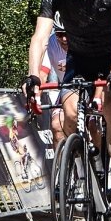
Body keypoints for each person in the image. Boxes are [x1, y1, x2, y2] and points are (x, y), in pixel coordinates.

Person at [25, 0, 111, 213]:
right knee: (69, 113)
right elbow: (40, 37)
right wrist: (32, 76)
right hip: (80, 58)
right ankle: (92, 163)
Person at [39, 12, 69, 145]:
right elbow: (42, 73)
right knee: (57, 126)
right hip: (68, 87)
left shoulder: (84, 40)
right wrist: (36, 95)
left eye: (67, 33)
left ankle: (98, 164)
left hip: (90, 86)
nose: (64, 39)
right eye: (59, 34)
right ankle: (61, 165)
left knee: (93, 126)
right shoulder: (51, 43)